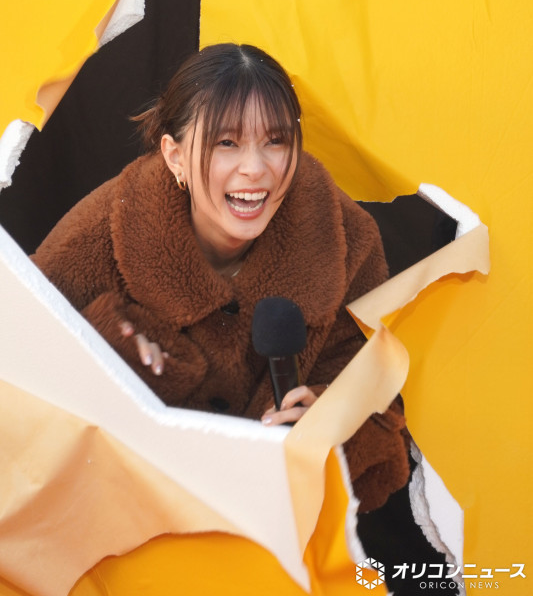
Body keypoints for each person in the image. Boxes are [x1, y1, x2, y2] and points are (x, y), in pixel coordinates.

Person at [32, 43, 410, 513]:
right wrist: (110, 355)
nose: (255, 169)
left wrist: (332, 425)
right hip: (126, 521)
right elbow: (22, 384)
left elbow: (384, 415)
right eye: (226, 143)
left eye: (275, 141)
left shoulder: (343, 239)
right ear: (174, 156)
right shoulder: (104, 232)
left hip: (273, 529)